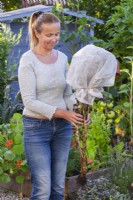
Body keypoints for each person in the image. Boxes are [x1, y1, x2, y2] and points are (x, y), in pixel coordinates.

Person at [18, 11, 85, 200]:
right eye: (49, 35)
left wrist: (77, 112)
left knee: (57, 187)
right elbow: (29, 101)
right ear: (37, 33)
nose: (54, 39)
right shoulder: (28, 60)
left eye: (57, 34)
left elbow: (67, 93)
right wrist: (63, 113)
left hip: (62, 129)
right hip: (36, 128)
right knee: (43, 190)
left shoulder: (63, 58)